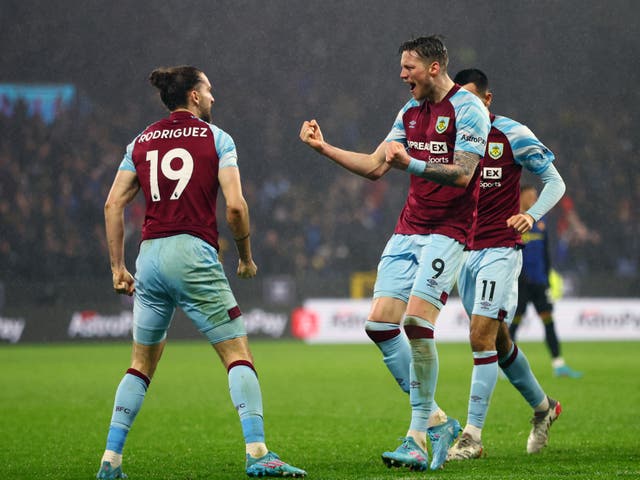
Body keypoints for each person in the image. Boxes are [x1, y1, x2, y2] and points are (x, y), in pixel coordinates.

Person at [97, 65, 305, 479]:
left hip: (150, 256)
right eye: (208, 90)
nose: (213, 97)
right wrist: (245, 257)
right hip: (192, 252)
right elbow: (235, 206)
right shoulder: (217, 138)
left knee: (140, 364)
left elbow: (111, 204)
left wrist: (119, 268)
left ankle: (110, 461)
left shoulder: (140, 141)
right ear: (193, 96)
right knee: (237, 354)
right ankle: (258, 452)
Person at [300, 36, 490, 471]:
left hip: (450, 230)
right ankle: (439, 420)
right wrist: (322, 148)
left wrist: (413, 165)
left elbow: (463, 175)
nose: (403, 75)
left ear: (435, 67)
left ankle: (417, 437)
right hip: (409, 229)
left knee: (417, 323)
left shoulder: (468, 110)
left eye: (410, 68)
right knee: (380, 326)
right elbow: (375, 165)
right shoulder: (409, 112)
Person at [446, 68, 566, 461]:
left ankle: (472, 436)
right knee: (497, 341)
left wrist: (531, 216)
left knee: (480, 337)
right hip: (463, 252)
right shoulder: (449, 139)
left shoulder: (512, 134)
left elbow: (555, 181)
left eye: (470, 99)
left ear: (487, 99)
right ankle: (544, 407)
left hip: (500, 249)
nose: (463, 108)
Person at [510, 185, 583, 378]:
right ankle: (504, 365)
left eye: (536, 196)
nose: (535, 199)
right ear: (521, 196)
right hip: (519, 283)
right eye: (531, 196)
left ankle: (559, 365)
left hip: (540, 282)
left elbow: (545, 252)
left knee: (549, 322)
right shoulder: (512, 219)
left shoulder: (540, 220)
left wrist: (548, 278)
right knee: (514, 324)